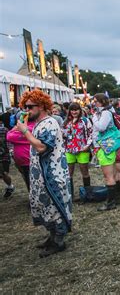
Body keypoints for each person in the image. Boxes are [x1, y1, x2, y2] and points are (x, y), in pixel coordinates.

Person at [14, 90, 72, 257]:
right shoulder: (39, 123)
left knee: (55, 206)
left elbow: (42, 147)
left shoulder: (50, 123)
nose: (27, 110)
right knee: (45, 206)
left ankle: (59, 241)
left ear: (42, 106)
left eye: (30, 106)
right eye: (25, 106)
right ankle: (52, 236)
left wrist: (25, 131)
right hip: (41, 175)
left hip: (52, 175)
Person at [92, 93, 120, 211]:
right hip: (107, 145)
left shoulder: (104, 113)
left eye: (96, 101)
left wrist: (94, 119)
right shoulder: (106, 112)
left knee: (108, 176)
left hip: (105, 146)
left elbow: (101, 127)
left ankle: (111, 202)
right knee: (112, 174)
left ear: (102, 101)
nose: (93, 103)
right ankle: (116, 198)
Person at [62, 102, 93, 200]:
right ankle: (70, 195)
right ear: (69, 111)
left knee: (84, 171)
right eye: (72, 110)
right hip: (69, 149)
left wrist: (88, 145)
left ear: (80, 110)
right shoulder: (66, 121)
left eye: (76, 109)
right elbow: (62, 135)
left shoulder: (85, 120)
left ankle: (88, 194)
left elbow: (91, 133)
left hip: (82, 149)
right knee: (69, 173)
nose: (74, 112)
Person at [6, 114, 34, 196]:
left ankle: (35, 199)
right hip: (23, 161)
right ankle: (33, 197)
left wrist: (14, 130)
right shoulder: (24, 128)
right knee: (28, 180)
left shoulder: (31, 128)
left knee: (31, 181)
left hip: (29, 160)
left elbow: (9, 137)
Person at [0, 117, 14, 199]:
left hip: (4, 155)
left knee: (4, 173)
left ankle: (10, 186)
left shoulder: (4, 130)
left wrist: (11, 151)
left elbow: (9, 141)